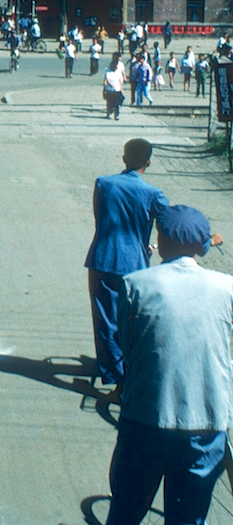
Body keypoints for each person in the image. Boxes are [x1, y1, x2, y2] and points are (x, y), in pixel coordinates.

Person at [105, 205, 228, 525]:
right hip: (205, 422)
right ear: (203, 245)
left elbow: (127, 348)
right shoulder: (228, 287)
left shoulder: (135, 284)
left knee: (127, 510)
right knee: (188, 517)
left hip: (146, 418)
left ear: (162, 239)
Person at [84, 138, 169, 388]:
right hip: (135, 265)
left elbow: (100, 218)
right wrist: (152, 246)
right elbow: (168, 227)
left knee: (105, 320)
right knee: (133, 321)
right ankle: (132, 369)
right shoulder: (154, 194)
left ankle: (113, 375)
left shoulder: (103, 184)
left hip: (102, 259)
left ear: (124, 159)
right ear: (149, 162)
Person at [103, 54, 126, 120]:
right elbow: (107, 79)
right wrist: (107, 85)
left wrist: (121, 88)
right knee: (109, 103)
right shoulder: (108, 72)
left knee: (117, 104)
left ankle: (116, 115)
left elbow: (119, 81)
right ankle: (109, 113)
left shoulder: (117, 72)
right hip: (109, 90)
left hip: (116, 90)